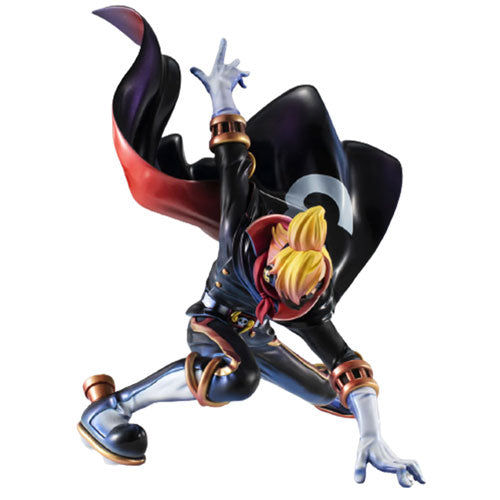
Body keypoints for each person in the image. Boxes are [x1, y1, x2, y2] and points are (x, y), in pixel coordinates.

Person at [79, 7, 424, 488]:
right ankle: (111, 408)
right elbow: (233, 155)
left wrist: (373, 433)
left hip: (258, 335)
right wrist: (221, 93)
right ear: (273, 254)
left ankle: (304, 385)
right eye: (280, 290)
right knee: (240, 379)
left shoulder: (308, 298)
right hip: (215, 323)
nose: (290, 304)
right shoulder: (243, 223)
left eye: (296, 303)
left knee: (336, 397)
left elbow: (347, 362)